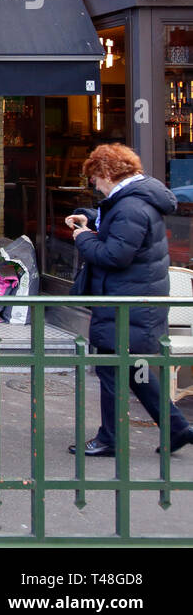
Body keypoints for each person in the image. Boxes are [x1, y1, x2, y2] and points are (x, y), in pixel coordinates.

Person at [66, 143, 193, 456]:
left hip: (126, 303)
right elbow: (118, 229)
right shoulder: (135, 200)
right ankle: (177, 428)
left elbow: (114, 255)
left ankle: (110, 439)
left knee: (111, 369)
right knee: (133, 368)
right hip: (136, 301)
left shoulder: (130, 206)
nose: (94, 184)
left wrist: (82, 238)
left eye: (95, 178)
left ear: (108, 173)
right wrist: (90, 219)